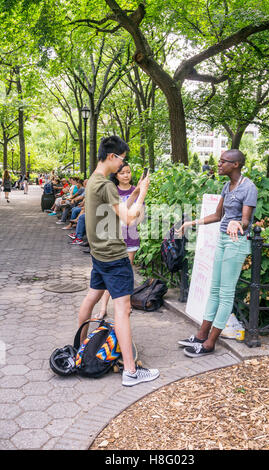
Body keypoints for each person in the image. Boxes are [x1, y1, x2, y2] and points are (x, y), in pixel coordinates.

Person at [77, 135, 159, 387]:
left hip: (99, 254)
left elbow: (114, 211)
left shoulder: (93, 179)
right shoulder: (107, 185)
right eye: (122, 159)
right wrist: (143, 194)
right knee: (123, 310)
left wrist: (133, 194)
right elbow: (129, 220)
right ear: (112, 156)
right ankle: (131, 372)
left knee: (91, 298)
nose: (123, 165)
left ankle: (80, 350)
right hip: (114, 256)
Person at [176, 149, 257, 357]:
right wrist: (192, 222)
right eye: (219, 161)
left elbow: (246, 221)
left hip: (236, 242)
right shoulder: (226, 186)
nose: (219, 164)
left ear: (236, 164)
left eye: (223, 161)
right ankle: (202, 334)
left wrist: (236, 222)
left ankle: (210, 342)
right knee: (214, 289)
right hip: (222, 240)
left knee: (225, 293)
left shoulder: (249, 187)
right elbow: (218, 214)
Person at [97, 162, 144, 319]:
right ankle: (103, 306)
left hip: (130, 237)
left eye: (128, 172)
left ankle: (126, 305)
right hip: (114, 239)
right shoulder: (113, 191)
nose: (126, 175)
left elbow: (138, 215)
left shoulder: (135, 191)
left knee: (126, 273)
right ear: (116, 175)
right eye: (122, 172)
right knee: (111, 274)